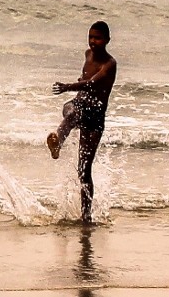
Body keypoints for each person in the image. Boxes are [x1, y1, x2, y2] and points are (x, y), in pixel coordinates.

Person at [46, 21, 117, 223]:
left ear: (107, 40)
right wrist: (78, 82)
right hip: (80, 105)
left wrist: (68, 86)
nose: (93, 41)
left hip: (95, 116)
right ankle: (57, 142)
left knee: (84, 171)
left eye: (98, 38)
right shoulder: (88, 54)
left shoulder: (110, 64)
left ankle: (86, 216)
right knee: (70, 112)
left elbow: (92, 82)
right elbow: (85, 77)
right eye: (91, 37)